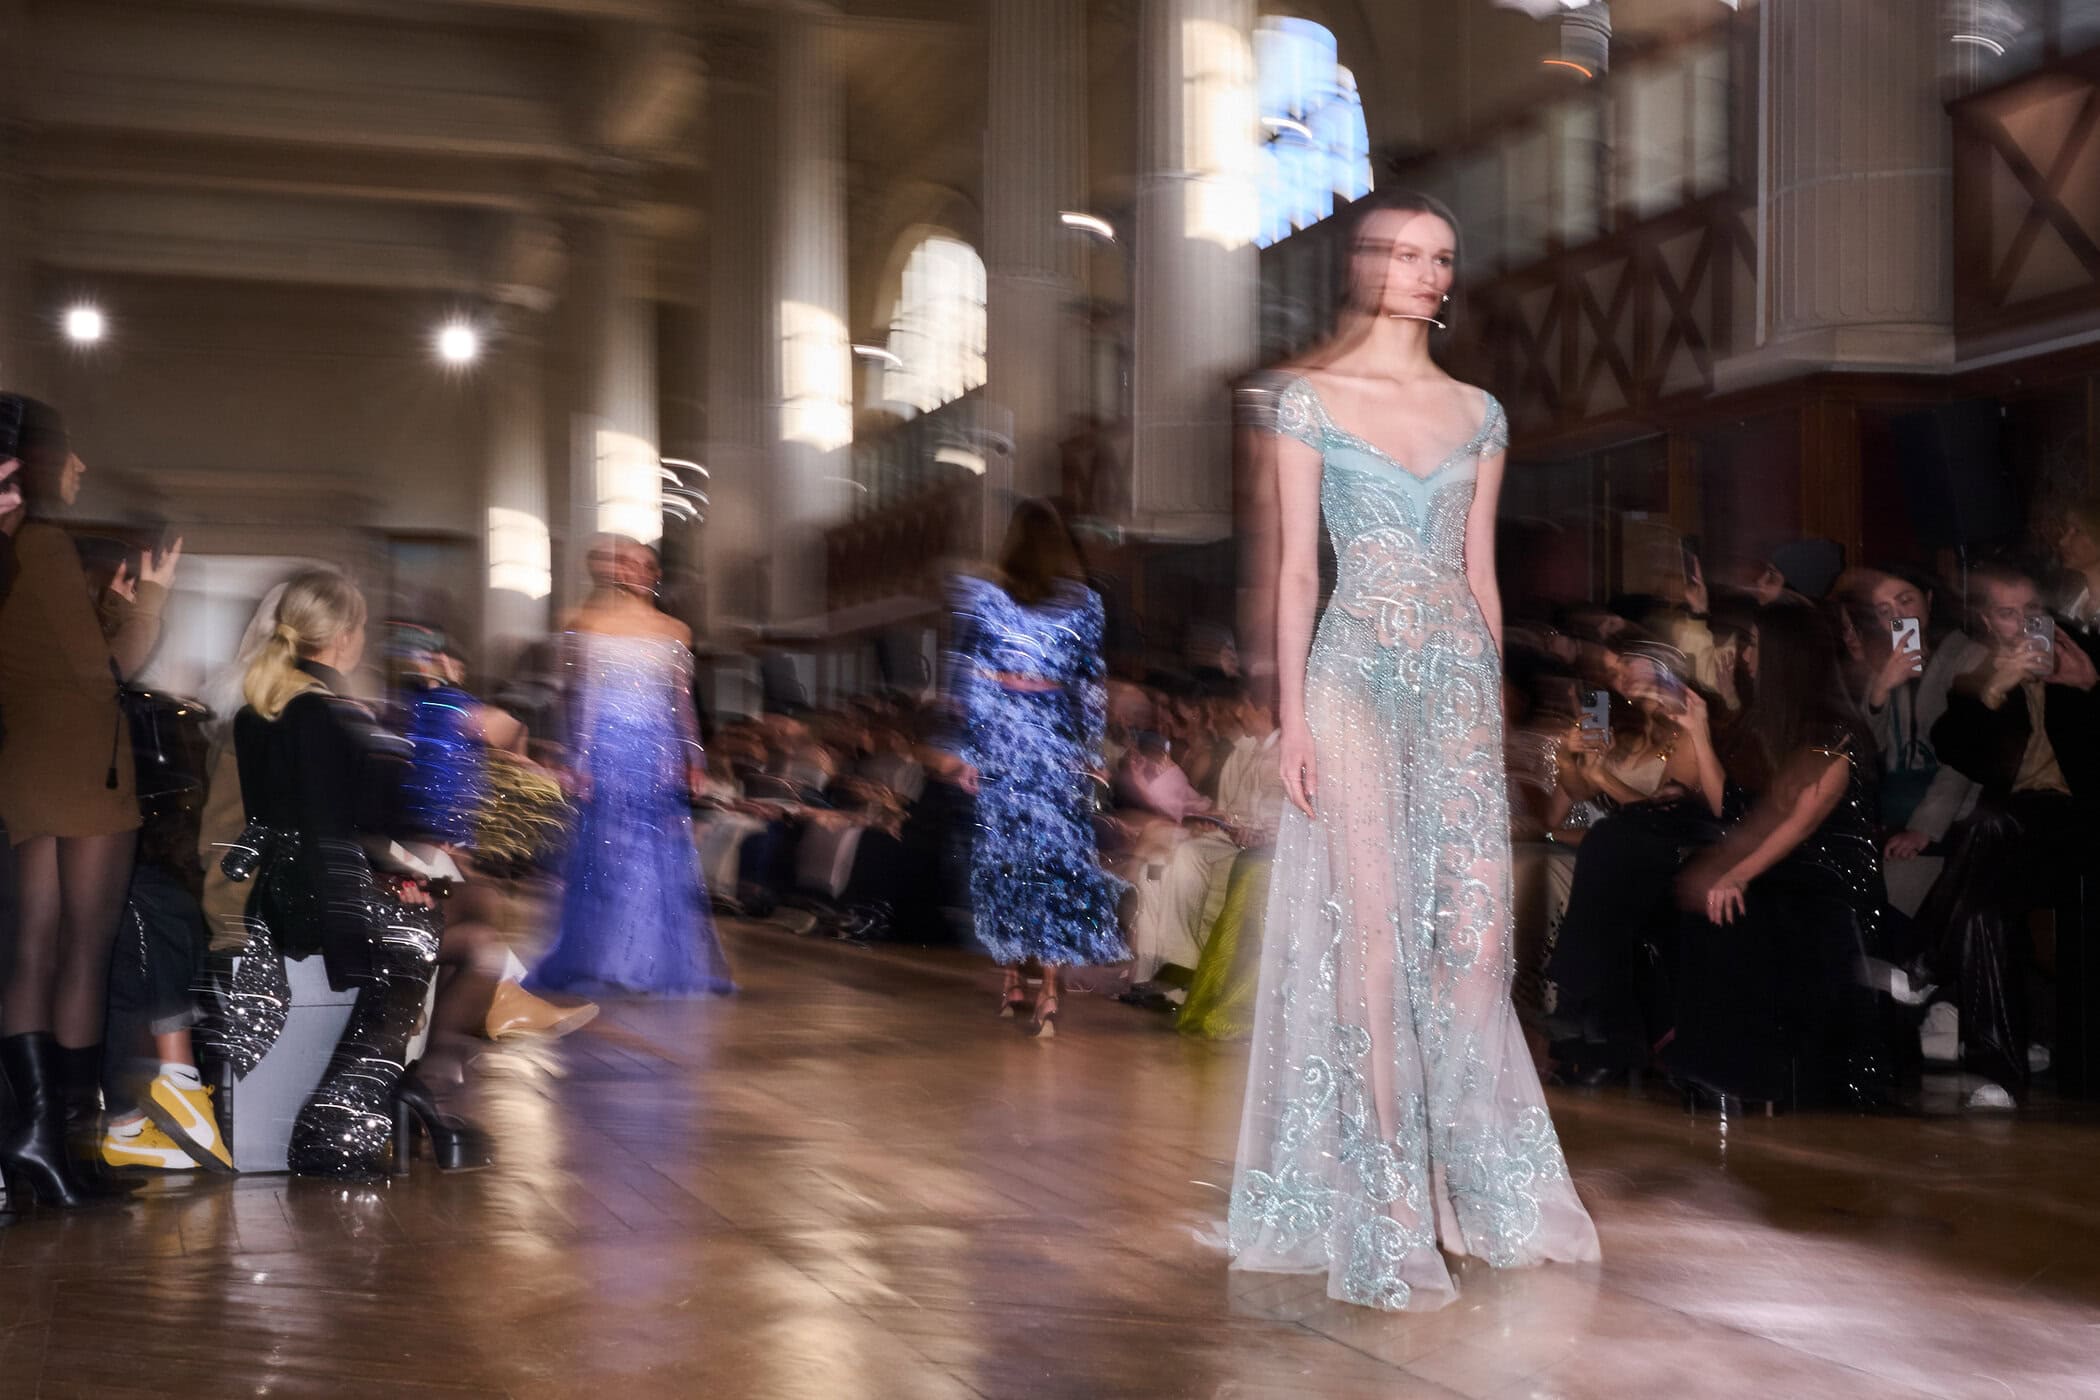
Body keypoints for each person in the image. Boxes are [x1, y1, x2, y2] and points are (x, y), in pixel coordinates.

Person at [1228, 190, 1599, 1312]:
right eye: (1407, 253)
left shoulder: (1480, 411)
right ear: (1367, 264)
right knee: (1373, 949)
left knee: (1474, 954)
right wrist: (1292, 717)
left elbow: (1483, 578)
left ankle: (1471, 1184)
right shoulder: (1308, 403)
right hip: (1348, 681)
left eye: (1444, 255)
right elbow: (1299, 571)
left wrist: (1491, 715)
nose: (1430, 272)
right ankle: (1386, 1214)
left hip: (1453, 690)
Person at [227, 570, 481, 1177]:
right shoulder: (321, 713)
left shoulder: (262, 707)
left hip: (289, 885)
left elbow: (303, 824)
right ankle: (341, 1119)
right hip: (316, 894)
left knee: (459, 918)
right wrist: (371, 909)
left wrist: (391, 874)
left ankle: (404, 1093)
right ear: (343, 634)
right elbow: (330, 829)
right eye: (362, 626)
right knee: (429, 938)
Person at [0, 394, 181, 1213]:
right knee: (81, 955)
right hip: (83, 778)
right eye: (66, 455)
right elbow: (107, 673)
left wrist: (103, 601)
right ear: (35, 465)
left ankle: (37, 1142)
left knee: (35, 952)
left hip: (28, 769)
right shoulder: (39, 543)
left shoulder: (16, 549)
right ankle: (62, 1138)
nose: (77, 468)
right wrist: (151, 595)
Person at [945, 498, 1128, 1037]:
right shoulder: (1085, 604)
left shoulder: (987, 597)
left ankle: (1011, 978)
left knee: (1005, 858)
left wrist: (971, 752)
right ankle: (1049, 990)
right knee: (1053, 860)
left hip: (1004, 738)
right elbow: (1090, 684)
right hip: (1051, 741)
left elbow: (974, 677)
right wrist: (1090, 753)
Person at [529, 536, 733, 997]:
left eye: (644, 564)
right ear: (609, 570)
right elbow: (574, 697)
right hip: (602, 749)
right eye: (626, 563)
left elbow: (681, 699)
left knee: (654, 853)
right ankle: (603, 957)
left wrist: (694, 757)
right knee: (604, 852)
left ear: (654, 574)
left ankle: (646, 960)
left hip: (656, 749)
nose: (635, 571)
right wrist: (575, 759)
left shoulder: (676, 630)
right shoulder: (583, 623)